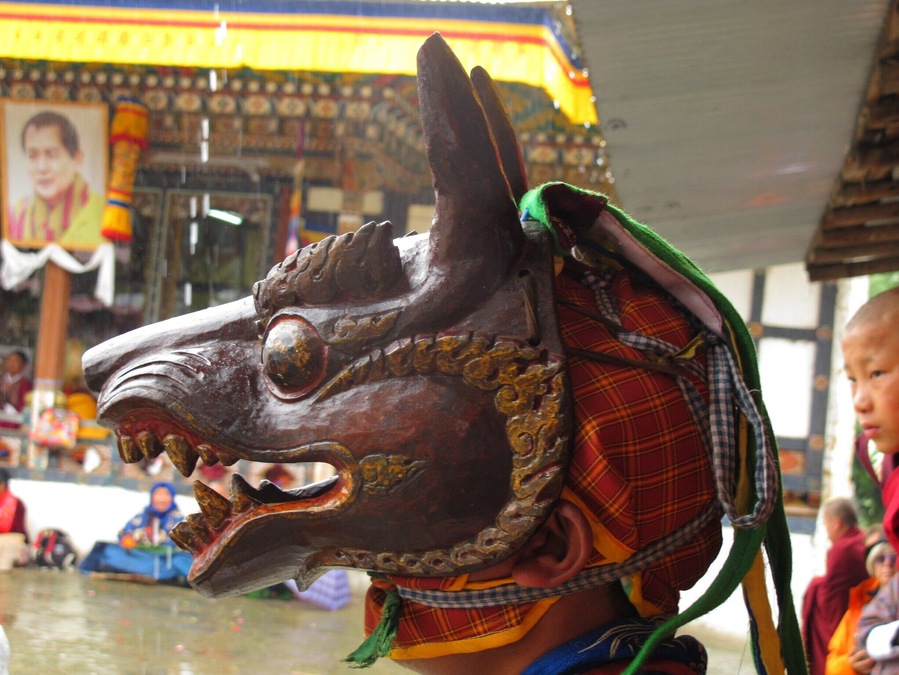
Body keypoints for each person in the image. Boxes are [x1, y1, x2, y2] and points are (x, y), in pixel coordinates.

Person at [6, 110, 105, 249]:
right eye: (32, 156)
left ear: (77, 159)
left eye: (51, 155)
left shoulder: (102, 211)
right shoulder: (16, 215)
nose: (41, 168)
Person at [803, 497, 870, 675]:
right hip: (864, 620)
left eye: (825, 525)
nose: (826, 532)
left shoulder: (841, 550)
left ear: (836, 523)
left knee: (815, 591)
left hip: (847, 625)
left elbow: (830, 604)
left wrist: (816, 585)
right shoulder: (863, 540)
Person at [78, 481, 192, 583]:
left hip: (161, 558)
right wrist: (127, 539)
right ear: (152, 497)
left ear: (172, 498)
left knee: (178, 561)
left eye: (165, 495)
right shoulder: (142, 516)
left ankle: (156, 572)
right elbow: (124, 533)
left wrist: (160, 547)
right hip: (138, 554)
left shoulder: (177, 519)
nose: (161, 499)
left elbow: (181, 544)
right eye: (158, 495)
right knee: (108, 549)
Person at [826, 541, 896, 674]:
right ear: (872, 565)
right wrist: (850, 665)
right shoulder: (858, 605)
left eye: (895, 557)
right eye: (880, 559)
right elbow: (832, 662)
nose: (887, 563)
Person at [0, 350, 31, 430]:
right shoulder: (1, 379)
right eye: (9, 360)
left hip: (14, 424)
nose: (11, 364)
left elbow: (26, 407)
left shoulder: (25, 384)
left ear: (23, 365)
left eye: (15, 361)